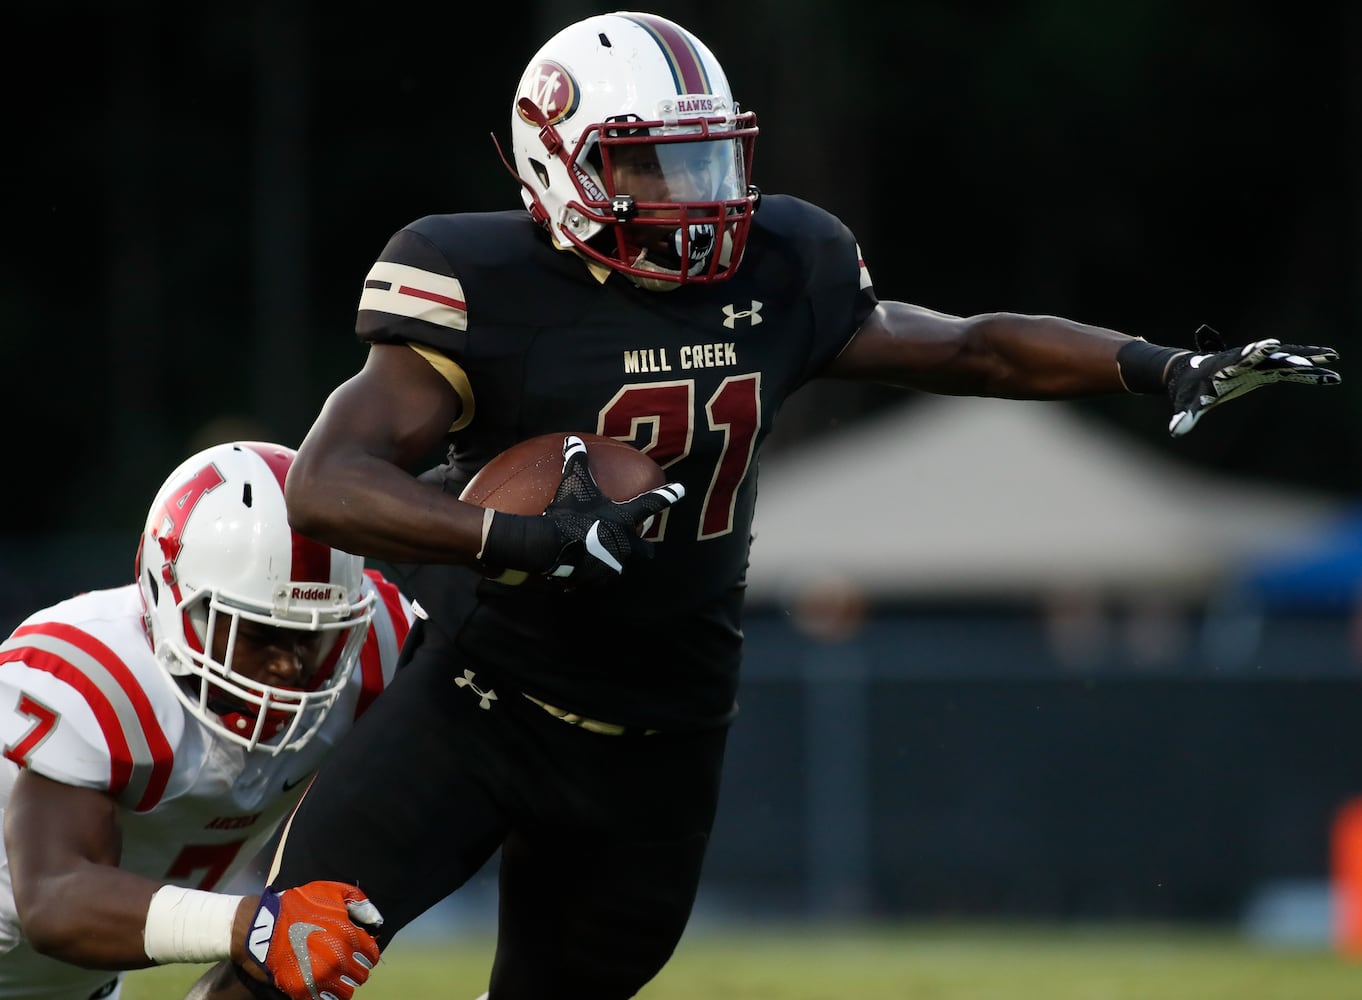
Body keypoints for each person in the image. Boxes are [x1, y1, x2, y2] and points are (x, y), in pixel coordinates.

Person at [185, 11, 1342, 1000]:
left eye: (705, 160)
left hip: (664, 732)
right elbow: (328, 483)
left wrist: (1159, 365)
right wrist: (522, 537)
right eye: (647, 166)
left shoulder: (783, 261)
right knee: (284, 962)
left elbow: (976, 349)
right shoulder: (477, 281)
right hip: (484, 702)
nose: (692, 197)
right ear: (555, 163)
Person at [0, 440, 414, 1000]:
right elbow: (53, 901)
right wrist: (252, 924)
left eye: (314, 638)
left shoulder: (375, 648)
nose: (289, 666)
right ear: (170, 598)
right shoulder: (101, 676)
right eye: (261, 632)